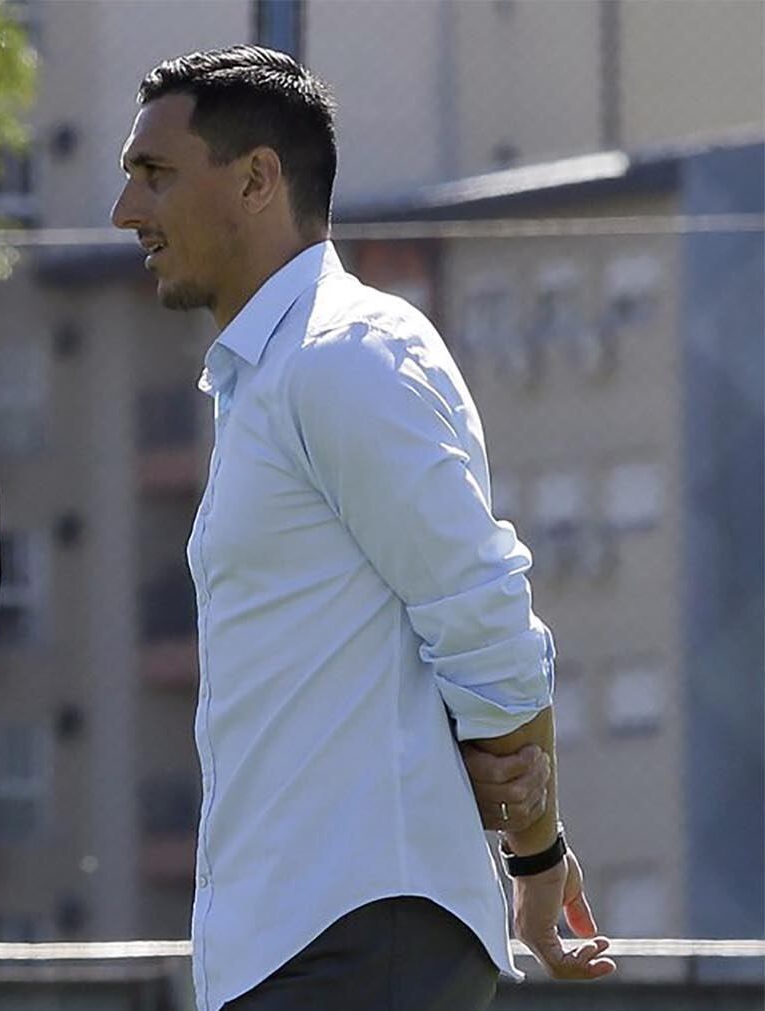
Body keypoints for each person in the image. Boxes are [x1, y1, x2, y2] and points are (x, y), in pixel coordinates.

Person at [108, 46, 617, 1010]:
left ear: (258, 178)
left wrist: (538, 853)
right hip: (305, 946)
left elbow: (485, 616)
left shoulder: (346, 355)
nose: (126, 211)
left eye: (155, 174)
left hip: (362, 940)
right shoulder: (274, 371)